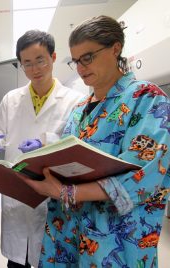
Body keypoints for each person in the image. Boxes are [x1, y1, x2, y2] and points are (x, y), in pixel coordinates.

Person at [20, 15, 170, 267]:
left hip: (115, 242)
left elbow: (144, 176)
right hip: (66, 234)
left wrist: (66, 191)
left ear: (115, 48)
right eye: (76, 61)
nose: (80, 68)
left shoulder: (148, 99)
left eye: (88, 57)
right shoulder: (79, 109)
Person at [0, 30, 85, 268]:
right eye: (27, 64)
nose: (35, 69)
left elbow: (78, 146)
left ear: (53, 57)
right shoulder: (11, 99)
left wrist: (46, 142)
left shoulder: (75, 100)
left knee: (48, 257)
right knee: (17, 261)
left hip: (53, 194)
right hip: (17, 194)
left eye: (40, 60)